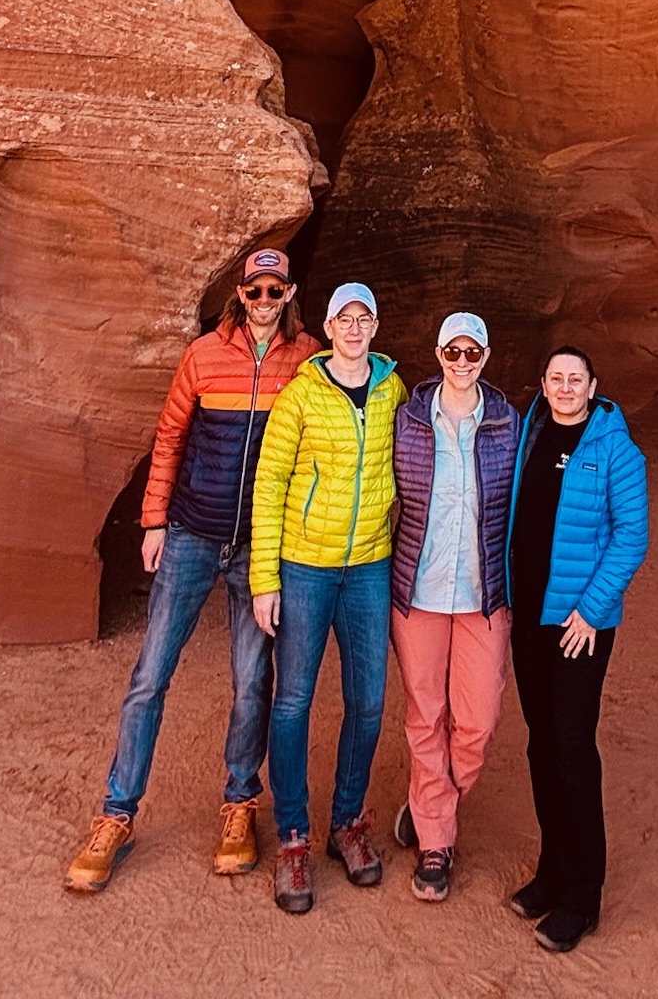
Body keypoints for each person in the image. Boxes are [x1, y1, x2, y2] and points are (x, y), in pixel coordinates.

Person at [64, 247, 317, 892]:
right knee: (150, 675)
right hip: (191, 535)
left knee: (252, 680)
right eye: (255, 291)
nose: (264, 302)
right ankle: (116, 814)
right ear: (241, 293)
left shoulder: (307, 359)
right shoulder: (203, 355)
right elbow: (171, 435)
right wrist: (153, 520)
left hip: (258, 546)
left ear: (289, 294)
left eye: (275, 291)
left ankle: (240, 804)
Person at [250, 281, 407, 915]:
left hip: (368, 564)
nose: (354, 327)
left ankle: (347, 821)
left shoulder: (393, 391)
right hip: (305, 565)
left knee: (368, 702)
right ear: (330, 326)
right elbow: (269, 483)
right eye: (344, 318)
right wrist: (265, 578)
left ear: (375, 326)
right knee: (293, 701)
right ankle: (293, 837)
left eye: (363, 318)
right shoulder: (302, 394)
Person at [506, 345, 649, 953]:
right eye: (556, 378)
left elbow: (632, 536)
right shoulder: (531, 433)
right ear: (543, 385)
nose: (565, 388)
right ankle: (552, 871)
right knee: (541, 743)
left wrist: (591, 610)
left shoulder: (615, 447)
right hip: (530, 617)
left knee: (570, 747)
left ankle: (582, 896)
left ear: (593, 386)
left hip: (579, 624)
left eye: (576, 379)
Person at [389, 312, 519, 902]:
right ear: (438, 354)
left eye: (472, 353)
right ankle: (435, 842)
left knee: (478, 721)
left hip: (482, 595)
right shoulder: (410, 420)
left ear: (485, 357)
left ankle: (430, 802)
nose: (462, 362)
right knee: (426, 714)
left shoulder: (508, 424)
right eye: (452, 352)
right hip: (418, 590)